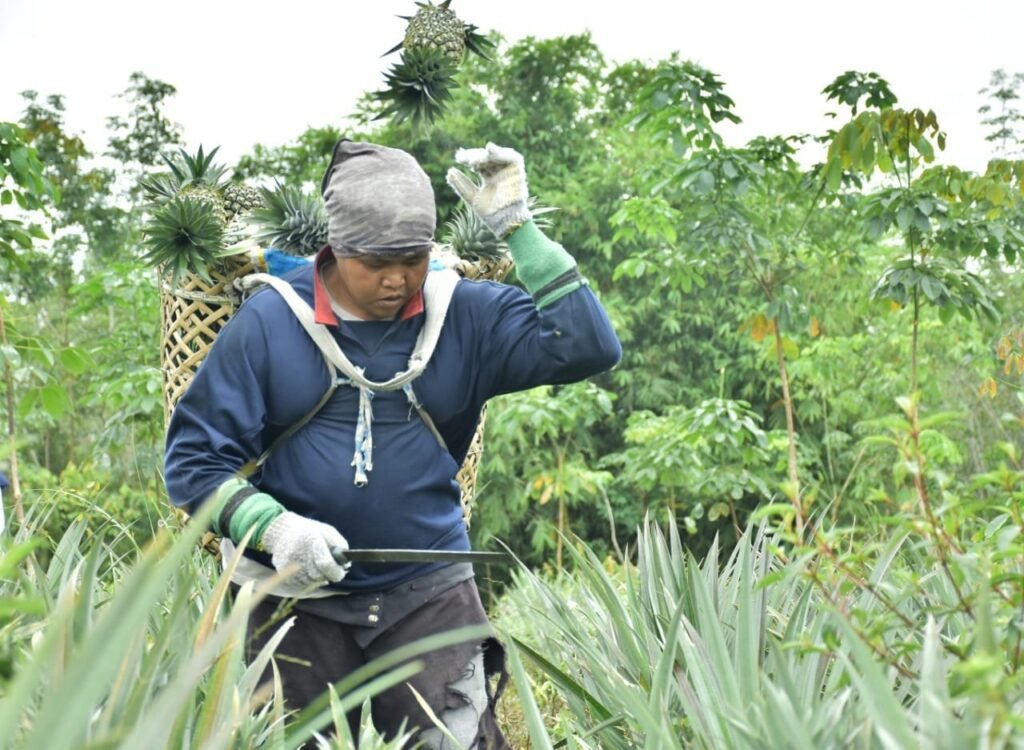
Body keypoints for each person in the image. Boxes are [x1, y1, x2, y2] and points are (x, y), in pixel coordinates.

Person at [164, 140, 621, 747]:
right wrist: (277, 531)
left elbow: (589, 346)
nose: (397, 278)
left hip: (427, 591)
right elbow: (193, 464)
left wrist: (520, 230)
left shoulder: (462, 315)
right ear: (337, 248)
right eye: (376, 262)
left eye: (411, 258)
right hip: (295, 599)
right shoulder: (272, 324)